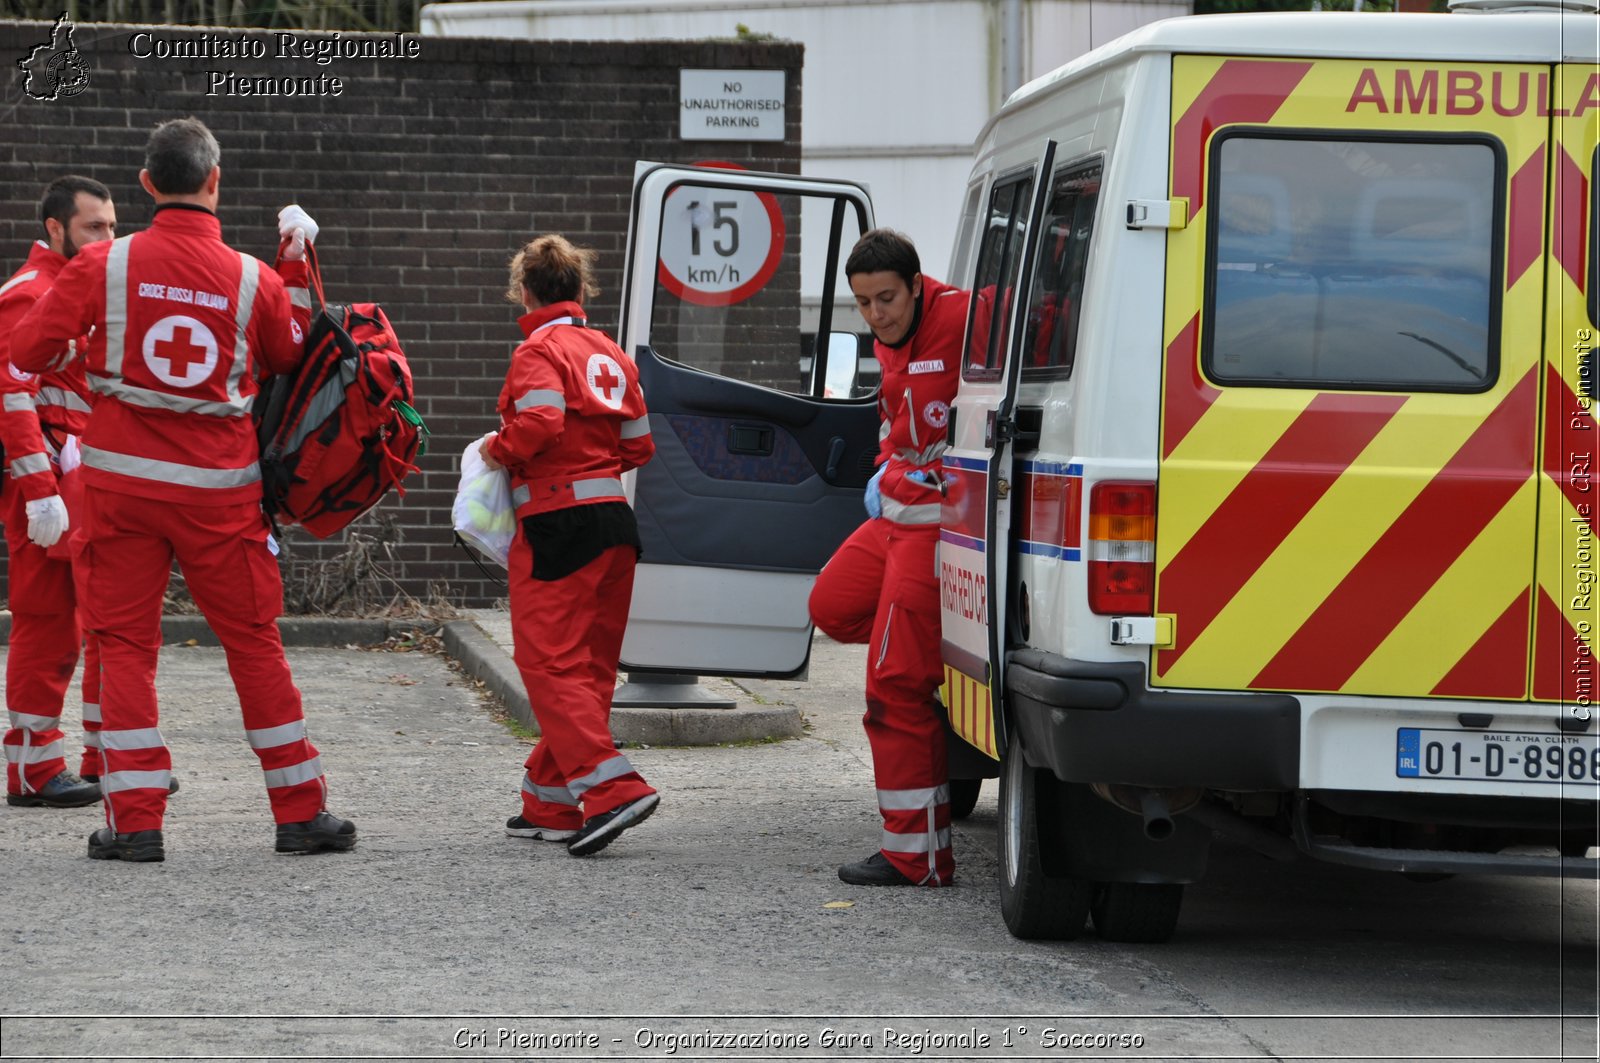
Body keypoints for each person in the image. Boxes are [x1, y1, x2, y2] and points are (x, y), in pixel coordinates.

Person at [11, 117, 356, 863]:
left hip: (119, 489)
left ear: (144, 185)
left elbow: (27, 350)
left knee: (125, 648)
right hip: (220, 495)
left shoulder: (100, 265)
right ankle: (300, 811)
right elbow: (289, 354)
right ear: (215, 180)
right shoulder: (250, 277)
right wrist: (296, 267)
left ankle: (134, 823)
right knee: (254, 644)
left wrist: (92, 347)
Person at [482, 234, 660, 858]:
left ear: (524, 293)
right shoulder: (612, 354)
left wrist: (494, 451)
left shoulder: (538, 350)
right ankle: (550, 801)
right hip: (615, 521)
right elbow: (638, 445)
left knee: (548, 664)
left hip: (558, 523)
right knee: (587, 669)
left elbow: (539, 424)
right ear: (581, 291)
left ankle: (614, 791)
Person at [809, 229, 965, 887]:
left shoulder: (962, 316)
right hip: (895, 515)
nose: (878, 314)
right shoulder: (886, 339)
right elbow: (896, 424)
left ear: (917, 285)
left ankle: (918, 857)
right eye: (865, 303)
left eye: (888, 299)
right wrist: (884, 470)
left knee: (892, 687)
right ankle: (917, 649)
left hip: (934, 528)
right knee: (831, 604)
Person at [0, 176, 116, 810]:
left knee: (102, 624)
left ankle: (104, 757)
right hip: (42, 489)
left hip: (82, 478)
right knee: (49, 629)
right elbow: (11, 392)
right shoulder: (29, 294)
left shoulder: (81, 290)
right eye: (93, 227)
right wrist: (39, 489)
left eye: (112, 226)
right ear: (54, 229)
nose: (107, 238)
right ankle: (32, 771)